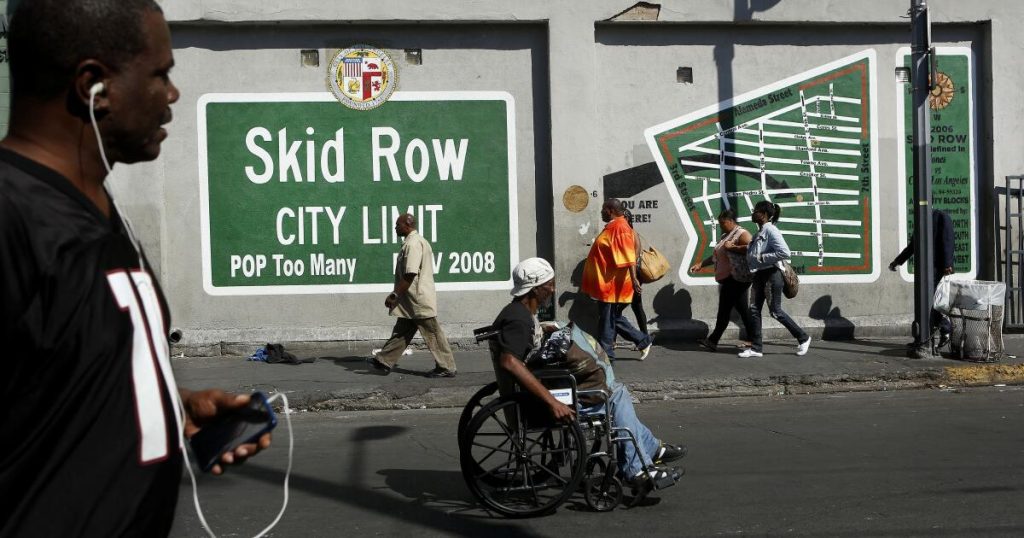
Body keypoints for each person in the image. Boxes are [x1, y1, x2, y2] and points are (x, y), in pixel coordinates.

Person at [0, 1, 270, 535]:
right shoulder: (13, 215)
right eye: (159, 74)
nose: (172, 94)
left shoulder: (100, 208)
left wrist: (170, 408)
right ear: (93, 86)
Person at [491, 258, 686, 487]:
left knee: (615, 390)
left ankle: (651, 449)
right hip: (543, 399)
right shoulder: (518, 319)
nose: (552, 290)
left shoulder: (519, 312)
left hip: (545, 385)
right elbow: (510, 361)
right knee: (615, 396)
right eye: (549, 285)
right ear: (535, 288)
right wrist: (553, 403)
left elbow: (524, 351)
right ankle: (637, 469)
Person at [369, 213, 458, 377]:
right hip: (411, 299)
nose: (395, 227)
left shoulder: (413, 244)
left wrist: (395, 294)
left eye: (398, 224)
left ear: (407, 225)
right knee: (402, 330)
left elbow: (410, 274)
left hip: (417, 298)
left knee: (432, 332)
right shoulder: (414, 242)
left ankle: (446, 367)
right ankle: (384, 360)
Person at [582, 199, 654, 360]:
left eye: (603, 209)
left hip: (612, 283)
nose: (601, 212)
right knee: (611, 317)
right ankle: (642, 341)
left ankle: (607, 354)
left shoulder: (620, 228)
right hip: (606, 282)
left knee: (608, 318)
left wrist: (634, 279)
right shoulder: (614, 226)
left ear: (610, 210)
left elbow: (628, 257)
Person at [739, 201, 811, 358]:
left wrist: (762, 257)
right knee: (754, 309)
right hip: (759, 275)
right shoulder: (760, 232)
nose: (753, 213)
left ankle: (803, 338)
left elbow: (785, 252)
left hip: (772, 274)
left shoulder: (771, 230)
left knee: (776, 312)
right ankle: (756, 348)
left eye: (756, 211)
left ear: (764, 215)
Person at [690, 209, 756, 352]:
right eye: (720, 223)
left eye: (723, 223)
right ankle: (754, 339)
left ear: (731, 221)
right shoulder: (726, 235)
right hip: (730, 279)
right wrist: (701, 264)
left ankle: (713, 340)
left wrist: (734, 247)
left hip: (736, 279)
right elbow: (716, 256)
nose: (721, 226)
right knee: (742, 309)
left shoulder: (741, 233)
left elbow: (753, 248)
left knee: (724, 310)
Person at [889, 208, 955, 348]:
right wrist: (898, 261)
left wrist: (947, 264)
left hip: (937, 268)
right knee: (924, 302)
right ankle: (927, 336)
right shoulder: (920, 221)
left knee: (929, 302)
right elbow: (913, 246)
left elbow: (948, 240)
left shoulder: (941, 217)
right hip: (923, 269)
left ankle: (945, 329)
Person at [622, 208, 649, 338]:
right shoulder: (631, 233)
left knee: (616, 309)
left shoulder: (630, 234)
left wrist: (633, 278)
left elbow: (633, 257)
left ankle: (643, 338)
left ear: (627, 219)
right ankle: (645, 337)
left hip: (632, 275)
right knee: (637, 306)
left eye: (622, 218)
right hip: (633, 275)